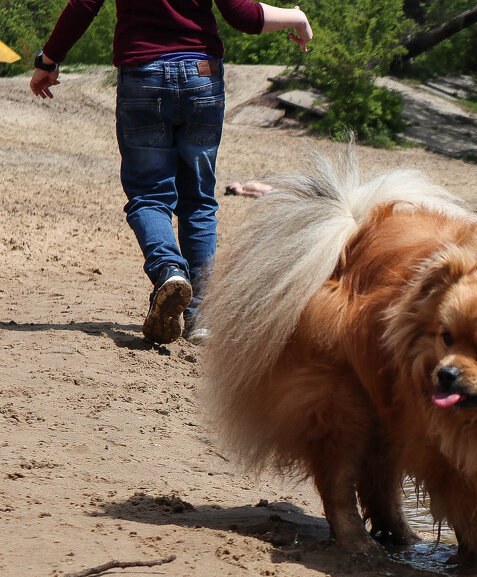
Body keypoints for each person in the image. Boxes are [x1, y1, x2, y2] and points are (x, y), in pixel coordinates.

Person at [30, 1, 313, 344]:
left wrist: (48, 60)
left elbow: (83, 6)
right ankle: (201, 318)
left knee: (149, 195)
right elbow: (243, 15)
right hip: (202, 76)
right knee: (199, 201)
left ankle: (169, 271)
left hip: (143, 76)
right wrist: (296, 17)